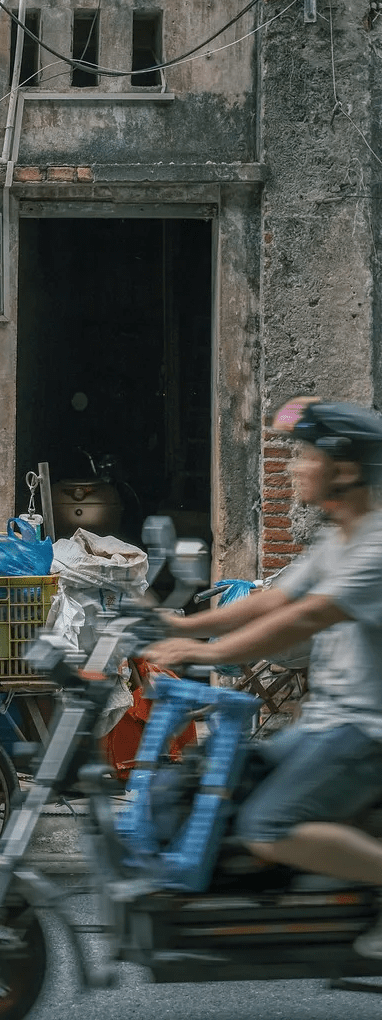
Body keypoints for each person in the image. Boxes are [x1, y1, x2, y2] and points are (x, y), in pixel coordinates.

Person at [145, 397, 382, 958]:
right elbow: (272, 599)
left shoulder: (375, 544)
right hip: (328, 723)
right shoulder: (338, 540)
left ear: (344, 468)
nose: (292, 466)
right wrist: (184, 624)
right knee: (232, 785)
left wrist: (205, 652)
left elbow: (305, 617)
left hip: (366, 730)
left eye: (304, 455)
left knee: (267, 827)